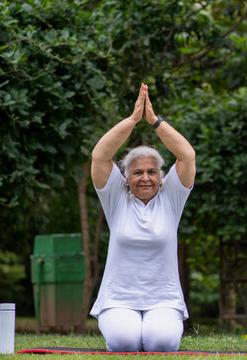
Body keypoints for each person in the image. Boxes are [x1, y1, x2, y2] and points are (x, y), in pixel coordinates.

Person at [90, 83, 195, 352]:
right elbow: (101, 155)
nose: (145, 178)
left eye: (151, 172)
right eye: (137, 172)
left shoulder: (171, 198)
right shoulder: (115, 197)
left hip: (164, 300)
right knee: (125, 342)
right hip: (118, 300)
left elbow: (186, 155)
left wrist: (154, 121)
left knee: (160, 343)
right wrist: (133, 119)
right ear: (125, 178)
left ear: (161, 177)